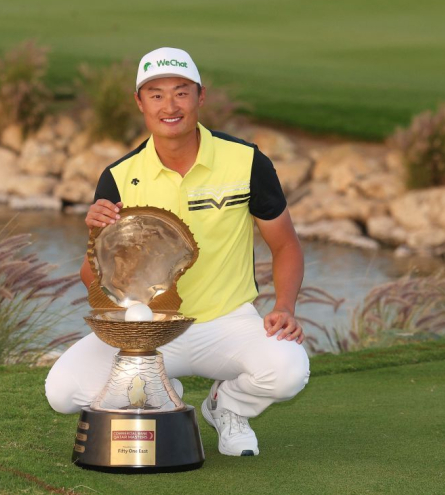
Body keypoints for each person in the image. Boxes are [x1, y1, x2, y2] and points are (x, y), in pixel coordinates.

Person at [45, 47, 309, 457]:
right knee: (62, 393)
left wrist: (286, 307)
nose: (170, 106)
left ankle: (227, 406)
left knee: (289, 370)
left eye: (181, 92)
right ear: (140, 102)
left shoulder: (246, 161)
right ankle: (161, 390)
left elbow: (285, 243)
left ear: (200, 97)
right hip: (146, 328)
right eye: (156, 94)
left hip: (227, 322)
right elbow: (93, 278)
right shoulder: (118, 176)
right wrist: (97, 237)